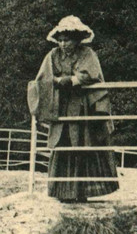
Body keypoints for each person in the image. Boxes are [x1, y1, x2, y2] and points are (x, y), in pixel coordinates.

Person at [32, 15, 119, 202]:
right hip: (61, 107)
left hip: (82, 107)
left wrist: (67, 80)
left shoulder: (87, 54)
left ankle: (83, 191)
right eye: (61, 40)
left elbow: (88, 75)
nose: (64, 44)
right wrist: (56, 82)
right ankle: (62, 191)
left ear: (77, 39)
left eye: (68, 40)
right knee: (62, 144)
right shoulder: (53, 55)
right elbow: (43, 78)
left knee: (83, 143)